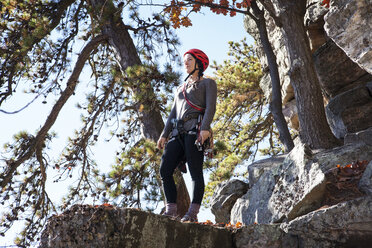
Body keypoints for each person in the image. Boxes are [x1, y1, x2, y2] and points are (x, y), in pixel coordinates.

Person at [157, 49, 217, 222]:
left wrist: (205, 128)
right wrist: (164, 134)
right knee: (165, 169)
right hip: (177, 133)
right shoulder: (179, 89)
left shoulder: (208, 84)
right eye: (185, 60)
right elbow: (173, 113)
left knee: (195, 172)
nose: (186, 63)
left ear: (199, 63)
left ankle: (192, 213)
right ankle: (171, 210)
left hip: (195, 131)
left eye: (189, 60)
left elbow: (211, 107)